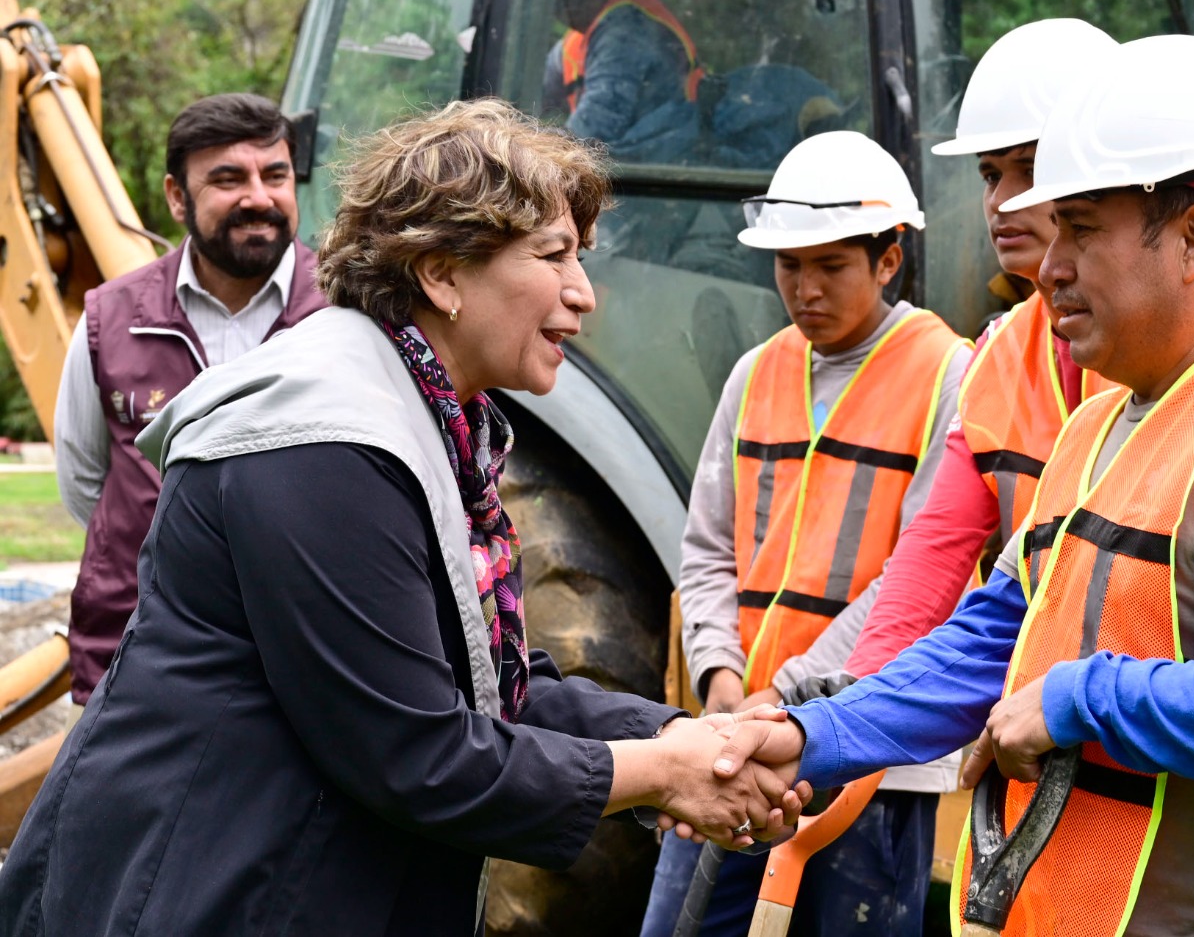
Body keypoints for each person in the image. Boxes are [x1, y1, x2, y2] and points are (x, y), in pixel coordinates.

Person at [0, 99, 808, 937]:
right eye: (554, 255)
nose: (583, 293)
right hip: (202, 897)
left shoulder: (417, 415)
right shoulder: (321, 446)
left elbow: (487, 684)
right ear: (443, 273)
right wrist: (668, 771)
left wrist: (690, 734)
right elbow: (418, 753)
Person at [713, 35, 1194, 936]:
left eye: (1083, 227)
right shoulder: (1100, 427)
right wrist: (813, 737)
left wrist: (1073, 699)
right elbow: (989, 639)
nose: (1049, 265)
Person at [638, 130, 971, 937]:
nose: (805, 289)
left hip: (872, 752)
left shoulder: (948, 375)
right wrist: (720, 677)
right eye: (790, 267)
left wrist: (784, 696)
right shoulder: (756, 373)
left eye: (831, 267)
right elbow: (709, 548)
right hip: (731, 738)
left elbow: (918, 581)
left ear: (889, 259)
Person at [844, 18, 1118, 682]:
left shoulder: (1181, 362)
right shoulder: (1002, 353)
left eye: (1029, 170)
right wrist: (828, 726)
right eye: (990, 174)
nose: (997, 201)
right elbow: (935, 557)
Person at [53, 92, 325, 708]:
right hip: (136, 662)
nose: (259, 197)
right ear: (178, 196)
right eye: (228, 178)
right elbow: (88, 490)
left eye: (275, 175)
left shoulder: (348, 315)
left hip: (306, 660)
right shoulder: (110, 320)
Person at [541, 0, 703, 161]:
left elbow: (588, 137)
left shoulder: (627, 33)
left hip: (660, 185)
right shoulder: (580, 38)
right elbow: (528, 97)